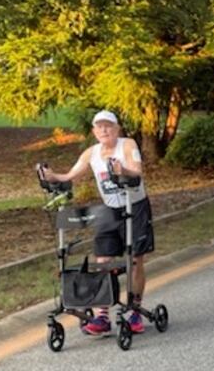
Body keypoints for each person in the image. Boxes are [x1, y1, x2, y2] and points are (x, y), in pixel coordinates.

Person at [41, 110, 153, 335]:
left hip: (135, 205)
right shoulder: (91, 153)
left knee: (135, 259)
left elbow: (137, 171)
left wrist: (124, 170)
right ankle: (102, 316)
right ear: (94, 131)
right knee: (102, 259)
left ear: (117, 128)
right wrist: (52, 176)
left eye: (108, 126)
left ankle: (135, 310)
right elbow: (69, 176)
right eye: (100, 127)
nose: (104, 130)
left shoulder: (127, 145)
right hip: (110, 210)